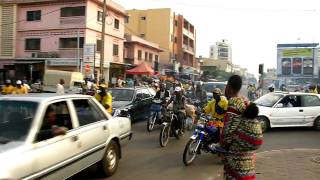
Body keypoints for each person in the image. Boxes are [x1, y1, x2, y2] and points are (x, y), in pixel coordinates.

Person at [220, 75, 263, 180]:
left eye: (225, 86)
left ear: (229, 87)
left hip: (236, 156)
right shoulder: (244, 100)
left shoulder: (234, 103)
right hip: (248, 153)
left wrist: (222, 147)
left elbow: (227, 132)